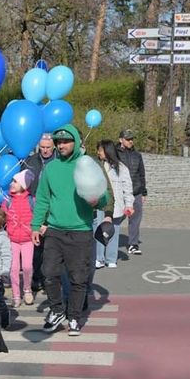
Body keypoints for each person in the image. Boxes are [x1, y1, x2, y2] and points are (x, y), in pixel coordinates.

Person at [30, 124, 112, 337]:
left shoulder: (86, 164)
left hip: (80, 231)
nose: (61, 145)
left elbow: (104, 197)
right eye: (58, 142)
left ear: (75, 142)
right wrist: (36, 226)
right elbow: (43, 200)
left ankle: (74, 316)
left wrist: (97, 200)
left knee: (78, 278)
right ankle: (57, 310)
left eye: (66, 141)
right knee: (48, 273)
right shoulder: (51, 169)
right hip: (55, 230)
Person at [24, 133, 57, 295]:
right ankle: (36, 278)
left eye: (48, 148)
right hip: (33, 206)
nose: (45, 151)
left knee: (50, 246)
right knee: (36, 245)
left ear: (54, 147)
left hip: (52, 207)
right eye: (42, 148)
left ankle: (48, 278)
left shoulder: (58, 161)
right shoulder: (31, 161)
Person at [95, 140, 134, 269]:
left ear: (107, 151)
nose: (98, 153)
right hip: (102, 204)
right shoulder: (98, 166)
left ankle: (111, 258)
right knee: (99, 231)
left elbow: (127, 188)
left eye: (100, 150)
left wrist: (129, 205)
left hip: (117, 206)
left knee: (113, 232)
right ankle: (98, 258)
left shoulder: (121, 168)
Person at [1, 170, 36, 306]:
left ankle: (27, 289)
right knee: (14, 268)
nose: (12, 184)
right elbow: (2, 217)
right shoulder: (7, 200)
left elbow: (37, 216)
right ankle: (16, 295)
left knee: (27, 267)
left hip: (28, 240)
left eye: (15, 181)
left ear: (23, 185)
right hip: (12, 239)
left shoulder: (31, 200)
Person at [118, 129, 147, 255]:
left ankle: (133, 244)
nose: (131, 141)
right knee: (116, 218)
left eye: (132, 139)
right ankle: (106, 241)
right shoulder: (115, 153)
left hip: (136, 192)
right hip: (121, 192)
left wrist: (144, 192)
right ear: (121, 140)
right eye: (128, 139)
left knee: (135, 219)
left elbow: (142, 174)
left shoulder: (137, 155)